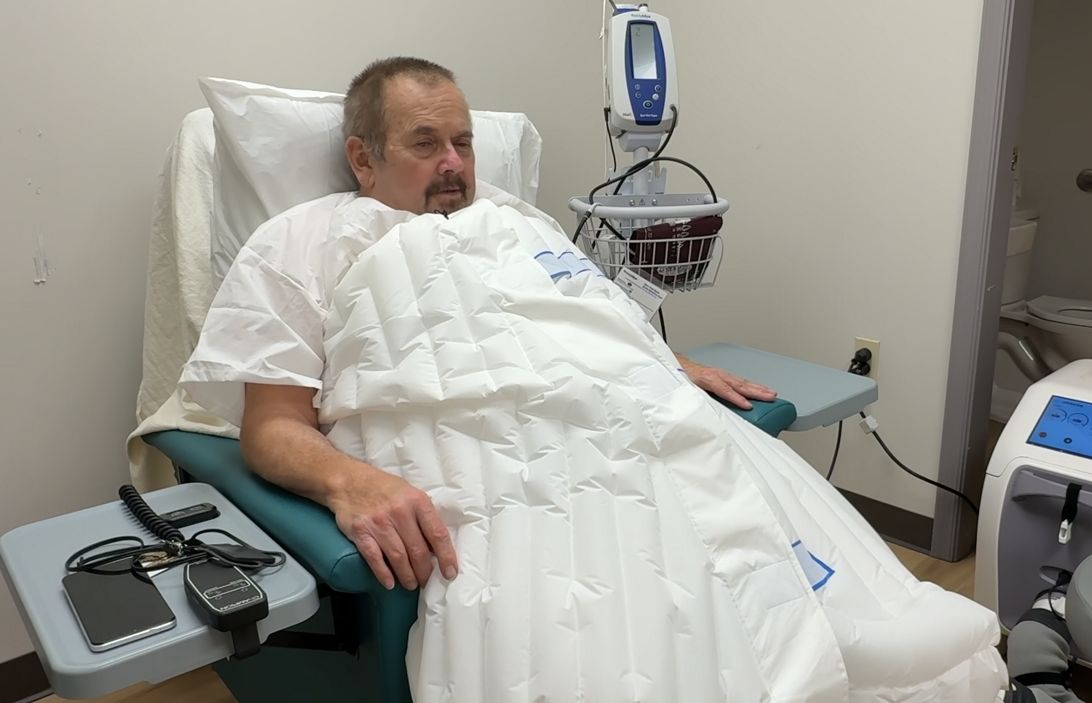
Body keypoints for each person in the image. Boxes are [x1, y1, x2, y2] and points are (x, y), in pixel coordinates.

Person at [182, 56, 776, 593]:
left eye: (463, 143)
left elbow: (588, 315)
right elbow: (273, 424)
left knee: (754, 546)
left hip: (617, 437)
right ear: (363, 159)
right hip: (493, 483)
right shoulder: (299, 242)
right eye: (425, 144)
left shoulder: (517, 220)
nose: (453, 163)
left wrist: (663, 361)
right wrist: (347, 482)